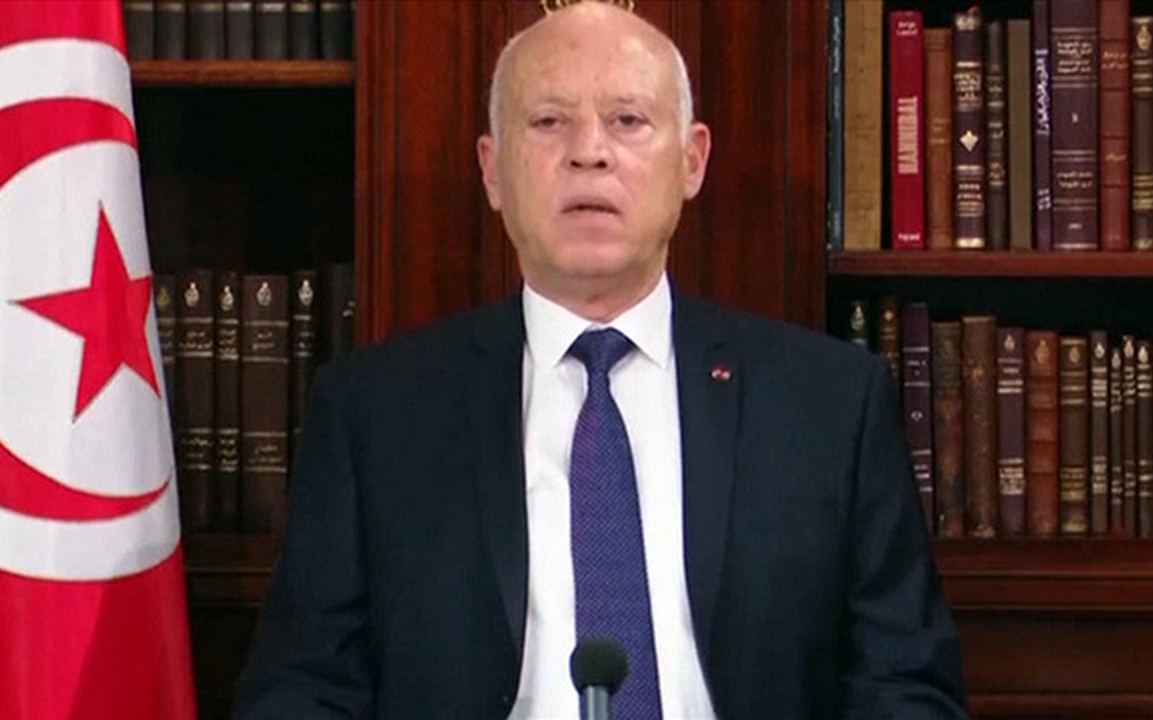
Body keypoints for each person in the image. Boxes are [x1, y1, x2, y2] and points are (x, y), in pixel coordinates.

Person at [234, 2, 967, 718]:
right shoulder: (376, 414)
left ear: (692, 161)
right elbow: (301, 690)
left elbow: (906, 686)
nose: (590, 151)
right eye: (549, 122)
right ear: (492, 171)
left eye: (628, 120)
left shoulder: (829, 405)